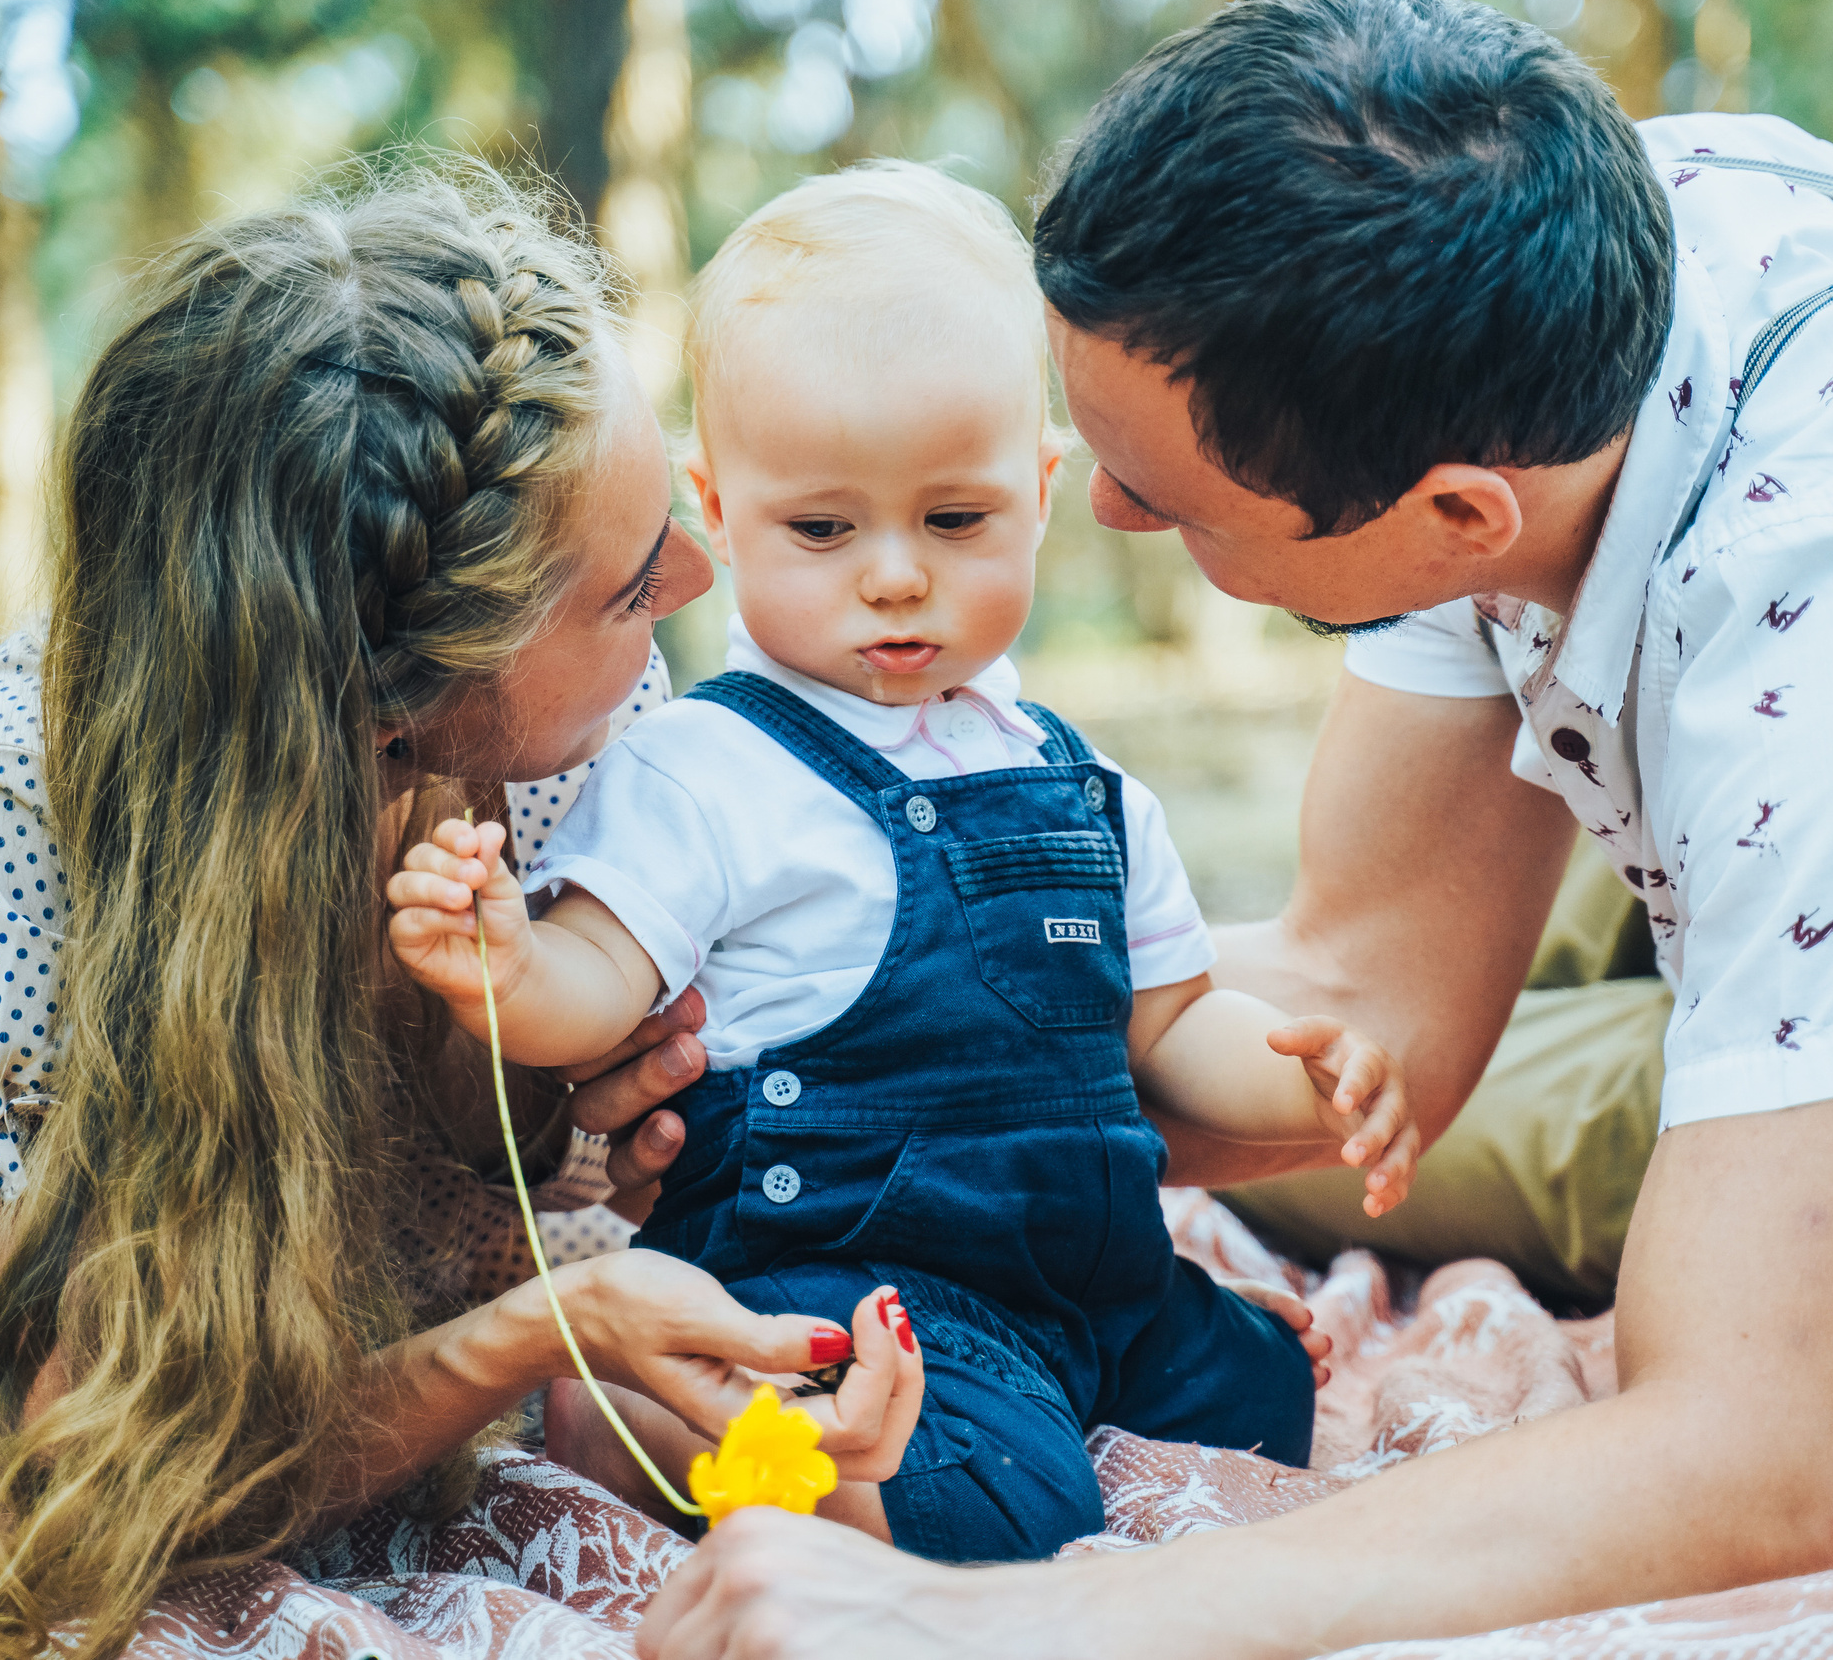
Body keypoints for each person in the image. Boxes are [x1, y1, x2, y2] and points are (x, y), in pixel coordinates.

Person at [632, 0, 1833, 1657]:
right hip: (1801, 830)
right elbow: (1363, 990)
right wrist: (756, 1051)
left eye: (1172, 496)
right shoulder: (1484, 274)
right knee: (1345, 1099)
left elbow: (1751, 1456)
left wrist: (1003, 1623)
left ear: (1456, 518)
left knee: (1432, 1177)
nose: (1112, 510)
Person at [0, 162, 923, 1660]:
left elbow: (603, 1180)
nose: (697, 576)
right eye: (627, 591)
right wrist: (543, 1329)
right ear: (399, 698)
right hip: (235, 1366)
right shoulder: (15, 828)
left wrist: (613, 1138)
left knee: (818, 1464)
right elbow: (80, 1472)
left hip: (449, 1307)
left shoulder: (588, 739)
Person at [387, 162, 1414, 1563]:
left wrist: (1311, 1081)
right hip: (849, 1279)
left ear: (1038, 492)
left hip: (1091, 1279)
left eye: (954, 520)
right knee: (995, 1514)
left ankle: (1079, 1373)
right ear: (716, 510)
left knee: (1270, 1396)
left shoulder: (1078, 780)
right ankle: (656, 1422)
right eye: (822, 528)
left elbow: (1169, 1028)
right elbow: (598, 989)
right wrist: (506, 968)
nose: (892, 575)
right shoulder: (705, 766)